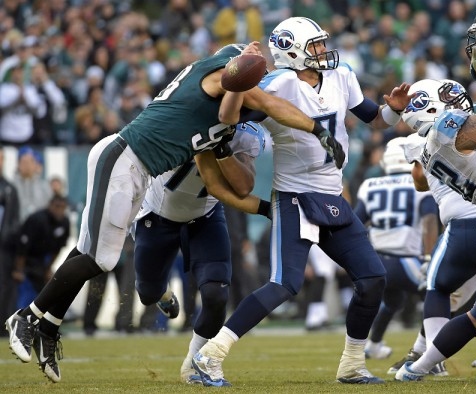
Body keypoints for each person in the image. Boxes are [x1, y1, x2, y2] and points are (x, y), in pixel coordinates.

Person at [5, 40, 343, 384]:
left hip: (141, 172)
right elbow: (263, 99)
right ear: (236, 62)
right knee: (100, 258)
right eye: (252, 71)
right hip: (125, 159)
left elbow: (242, 111)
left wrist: (311, 129)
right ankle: (27, 316)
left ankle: (48, 326)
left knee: (91, 252)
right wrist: (316, 128)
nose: (256, 81)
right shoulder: (219, 69)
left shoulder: (229, 107)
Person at [192, 17, 414, 387]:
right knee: (284, 283)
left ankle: (352, 364)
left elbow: (376, 119)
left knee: (374, 278)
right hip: (294, 195)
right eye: (315, 46)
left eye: (322, 44)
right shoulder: (277, 84)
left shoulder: (342, 75)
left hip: (330, 194)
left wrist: (393, 109)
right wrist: (237, 82)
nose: (323, 51)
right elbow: (228, 116)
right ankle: (211, 354)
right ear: (292, 52)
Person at [134, 121, 266, 384]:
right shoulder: (185, 114)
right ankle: (162, 294)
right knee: (147, 293)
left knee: (217, 294)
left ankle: (195, 363)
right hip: (158, 215)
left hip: (205, 215)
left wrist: (224, 149)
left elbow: (244, 185)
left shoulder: (247, 133)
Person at [394, 130, 476, 382]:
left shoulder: (422, 141)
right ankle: (422, 363)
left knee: (440, 289)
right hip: (466, 217)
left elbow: (420, 181)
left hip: (460, 225)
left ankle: (422, 363)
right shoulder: (464, 126)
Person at [355, 137, 439, 360]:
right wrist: (430, 257)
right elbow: (430, 221)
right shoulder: (420, 185)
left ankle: (373, 344)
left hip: (376, 261)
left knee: (393, 301)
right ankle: (432, 355)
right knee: (439, 298)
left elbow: (356, 224)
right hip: (407, 260)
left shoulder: (369, 185)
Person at [12, 194, 70, 308]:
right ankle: (19, 319)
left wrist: (48, 268)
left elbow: (58, 249)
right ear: (50, 205)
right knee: (26, 294)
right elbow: (23, 246)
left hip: (44, 259)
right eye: (57, 206)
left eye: (63, 207)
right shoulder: (37, 219)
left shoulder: (65, 222)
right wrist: (19, 269)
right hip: (27, 258)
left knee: (42, 295)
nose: (59, 210)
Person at [0, 146, 21, 337]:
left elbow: (13, 220)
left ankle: (2, 326)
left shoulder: (9, 189)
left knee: (5, 286)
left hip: (3, 247)